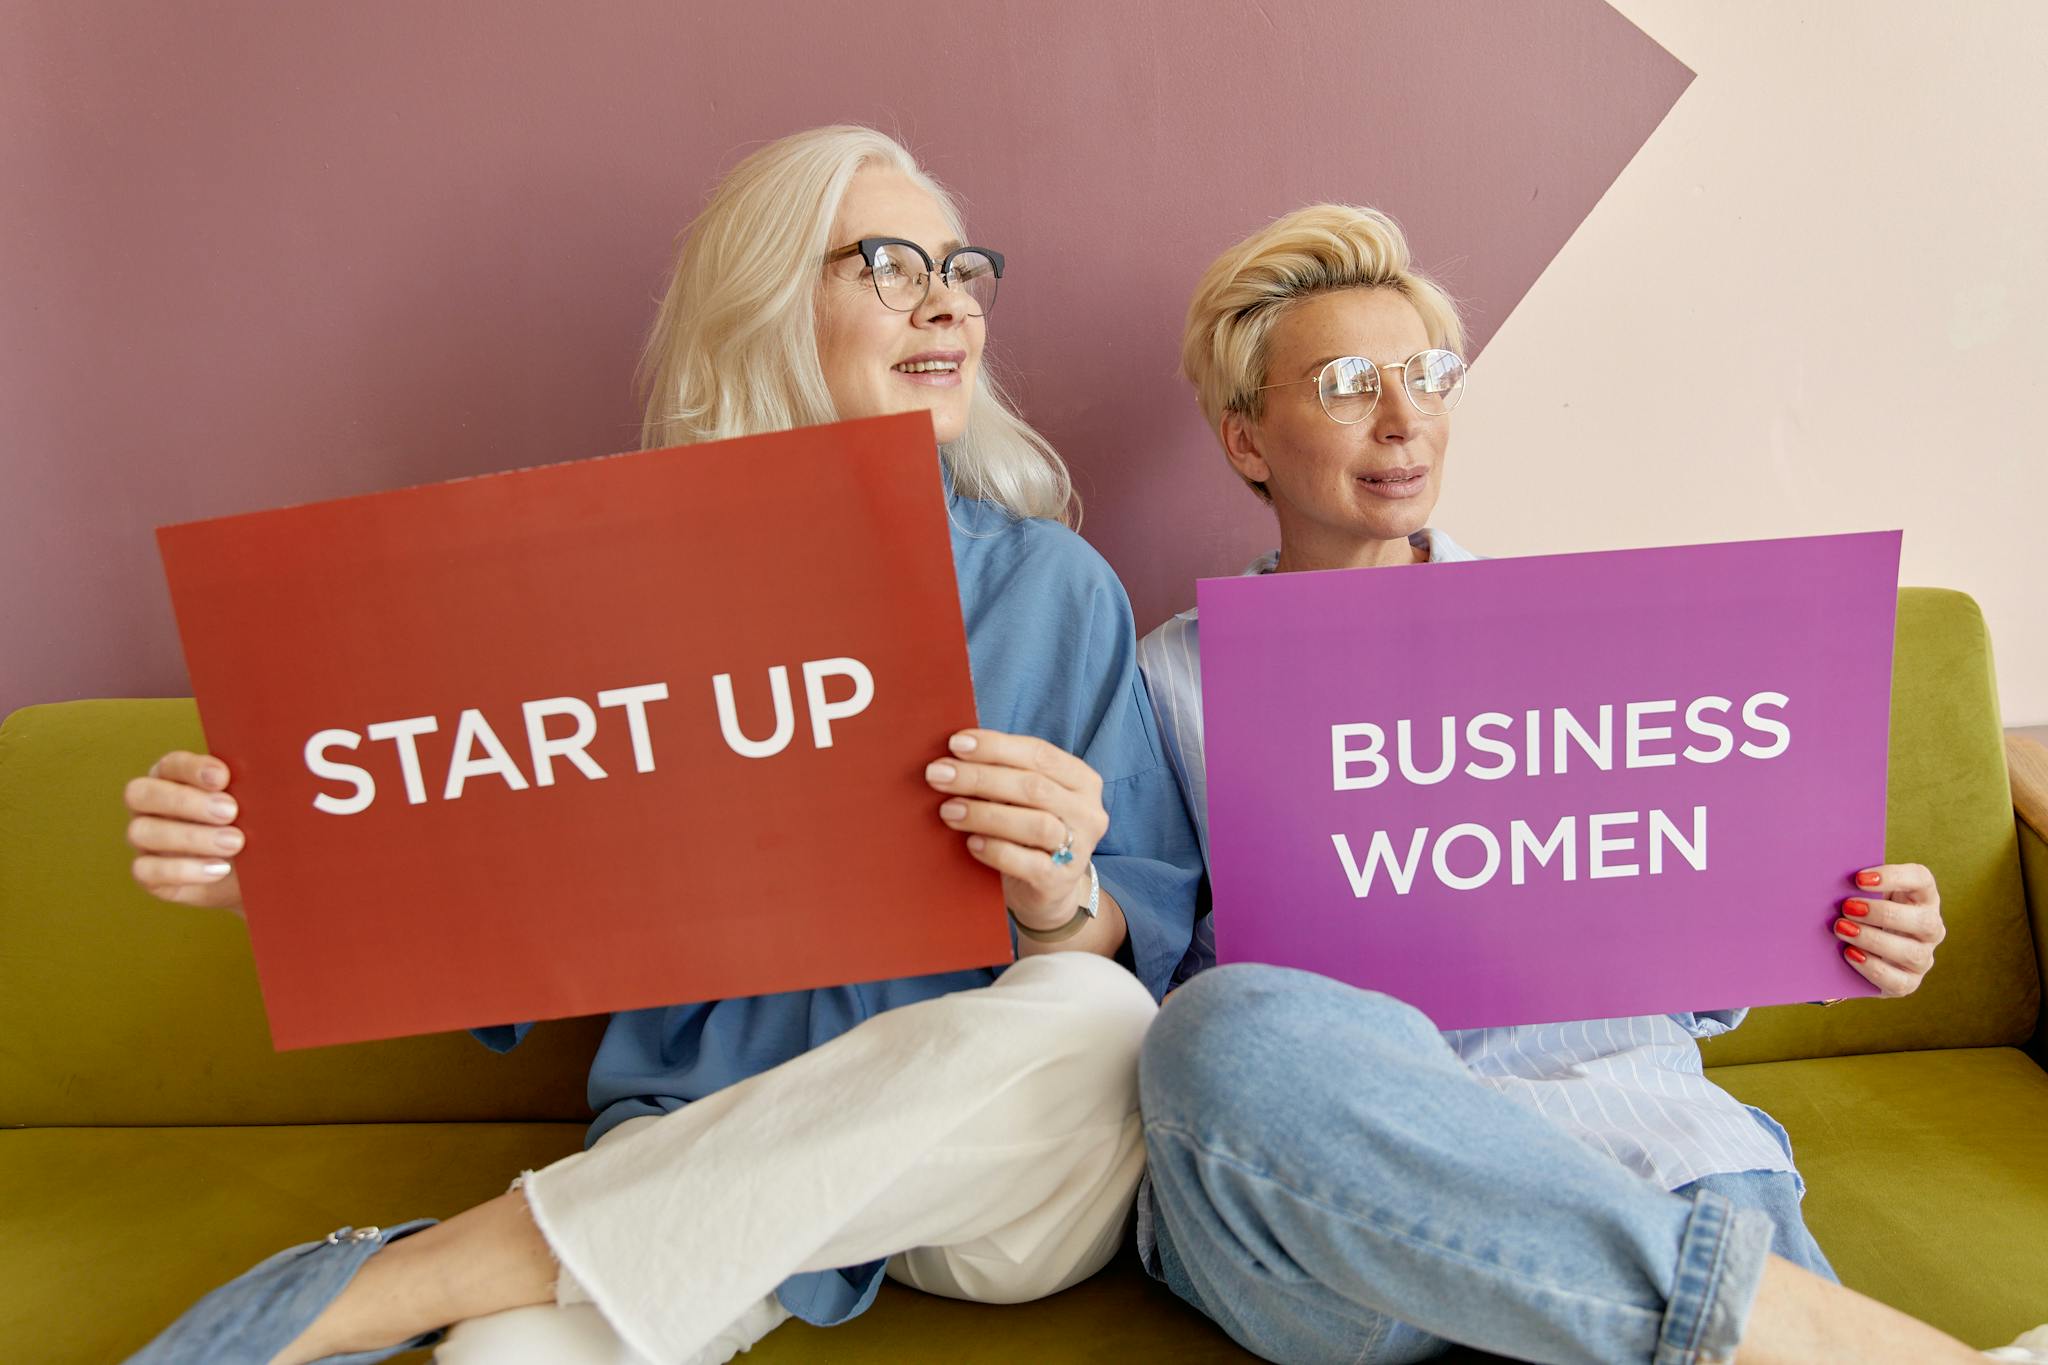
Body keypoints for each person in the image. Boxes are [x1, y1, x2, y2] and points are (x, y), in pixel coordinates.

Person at [121, 125, 1202, 1365]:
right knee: (498, 1359)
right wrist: (263, 879)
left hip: (995, 1182)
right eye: (890, 264)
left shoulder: (1054, 588)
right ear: (765, 306)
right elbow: (488, 906)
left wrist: (1060, 894)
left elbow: (1141, 927)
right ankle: (540, 1268)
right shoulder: (608, 598)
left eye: (959, 270)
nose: (945, 304)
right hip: (695, 1138)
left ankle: (401, 1279)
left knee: (1094, 1024)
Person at [1132, 202, 2046, 1364]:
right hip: (1349, 1216)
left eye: (1425, 374)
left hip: (1632, 1144)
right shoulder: (1167, 680)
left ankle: (1748, 1322)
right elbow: (1140, 972)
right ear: (1247, 440)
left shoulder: (1593, 643)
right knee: (1215, 1031)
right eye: (1350, 382)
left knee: (1690, 1174)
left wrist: (1844, 924)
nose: (1406, 418)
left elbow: (1682, 939)